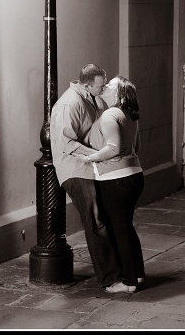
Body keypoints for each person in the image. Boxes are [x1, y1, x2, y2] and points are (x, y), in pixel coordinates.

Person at [49, 64, 122, 290]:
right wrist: (98, 156)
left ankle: (119, 271)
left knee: (106, 218)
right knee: (96, 221)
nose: (104, 88)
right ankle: (110, 280)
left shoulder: (93, 97)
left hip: (92, 167)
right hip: (75, 169)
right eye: (101, 85)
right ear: (86, 84)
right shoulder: (69, 104)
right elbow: (66, 143)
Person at [81, 75, 146, 294]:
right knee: (126, 227)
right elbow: (136, 146)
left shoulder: (109, 115)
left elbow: (113, 148)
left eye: (110, 85)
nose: (106, 86)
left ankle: (128, 282)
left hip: (115, 179)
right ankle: (137, 273)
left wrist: (89, 158)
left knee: (119, 230)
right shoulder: (130, 115)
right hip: (135, 175)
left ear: (118, 94)